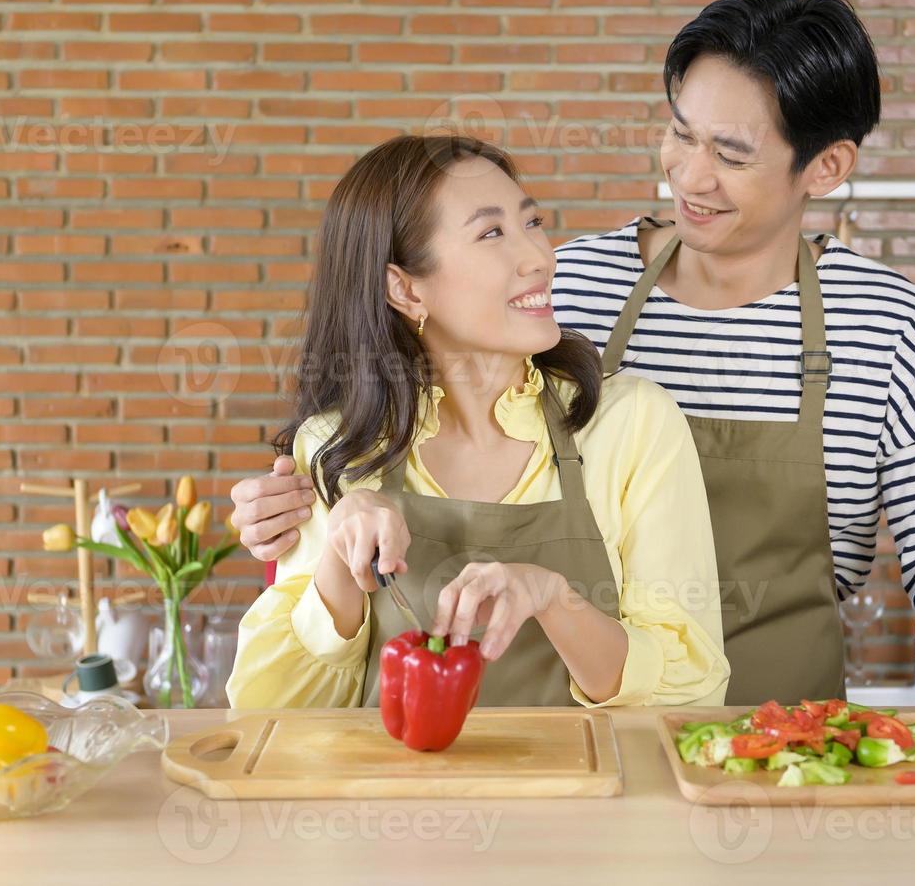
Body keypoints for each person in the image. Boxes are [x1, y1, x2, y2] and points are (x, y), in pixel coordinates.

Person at [550, 0, 915, 771]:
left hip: (783, 758)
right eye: (679, 134)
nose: (687, 176)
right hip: (577, 742)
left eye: (730, 154)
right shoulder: (564, 290)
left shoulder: (888, 325)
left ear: (826, 166)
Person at [226, 134, 729, 710]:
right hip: (389, 801)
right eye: (491, 233)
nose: (541, 257)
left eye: (531, 222)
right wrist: (339, 560)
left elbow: (692, 690)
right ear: (406, 288)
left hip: (594, 796)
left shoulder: (631, 423)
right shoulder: (338, 447)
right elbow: (277, 721)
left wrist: (553, 598)